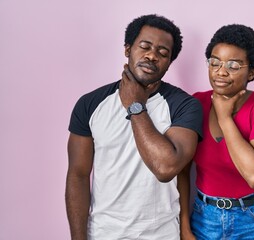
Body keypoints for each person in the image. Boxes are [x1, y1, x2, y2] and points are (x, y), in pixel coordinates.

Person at [65, 14, 203, 240]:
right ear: (128, 49)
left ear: (169, 62)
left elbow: (165, 168)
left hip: (162, 235)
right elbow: (78, 175)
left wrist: (135, 105)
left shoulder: (185, 106)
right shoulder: (90, 104)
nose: (152, 56)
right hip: (103, 233)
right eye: (145, 46)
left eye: (163, 53)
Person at [178, 24, 254, 240]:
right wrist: (184, 227)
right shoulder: (196, 103)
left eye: (234, 65)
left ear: (251, 72)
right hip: (203, 217)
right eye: (214, 62)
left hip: (253, 220)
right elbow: (182, 171)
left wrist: (225, 118)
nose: (221, 71)